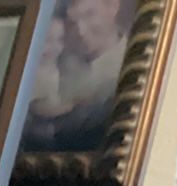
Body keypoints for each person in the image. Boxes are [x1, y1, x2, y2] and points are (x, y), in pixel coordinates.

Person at [24, 0, 131, 152]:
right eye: (71, 23)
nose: (80, 31)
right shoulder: (51, 63)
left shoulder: (134, 63)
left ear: (113, 6)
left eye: (89, 14)